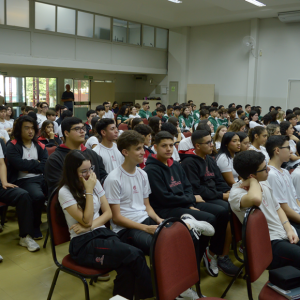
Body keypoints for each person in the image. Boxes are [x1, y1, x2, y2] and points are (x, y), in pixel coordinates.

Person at [58, 150, 153, 300]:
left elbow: (108, 213)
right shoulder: (65, 192)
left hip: (102, 233)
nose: (89, 174)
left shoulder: (93, 183)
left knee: (128, 263)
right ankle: (149, 296)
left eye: (90, 169)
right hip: (83, 243)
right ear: (71, 172)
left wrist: (89, 226)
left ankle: (123, 297)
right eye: (83, 171)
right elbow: (87, 219)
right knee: (134, 255)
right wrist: (89, 191)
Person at [144, 132, 220, 281]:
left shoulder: (176, 165)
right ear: (155, 147)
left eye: (171, 145)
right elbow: (164, 198)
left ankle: (199, 258)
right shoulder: (151, 170)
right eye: (164, 146)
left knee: (217, 215)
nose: (168, 149)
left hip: (183, 204)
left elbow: (187, 186)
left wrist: (190, 204)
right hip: (165, 209)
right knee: (209, 218)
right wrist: (190, 201)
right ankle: (190, 265)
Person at [180, 130, 240, 277]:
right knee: (223, 209)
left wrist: (228, 193)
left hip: (214, 196)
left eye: (211, 141)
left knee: (235, 204)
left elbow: (219, 180)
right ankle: (214, 253)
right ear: (197, 146)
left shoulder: (209, 159)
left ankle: (224, 252)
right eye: (208, 142)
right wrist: (222, 195)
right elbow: (196, 189)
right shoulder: (189, 162)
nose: (212, 144)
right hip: (200, 198)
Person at [229, 150, 300, 270]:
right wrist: (252, 181)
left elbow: (278, 209)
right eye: (264, 169)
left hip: (284, 232)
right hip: (269, 243)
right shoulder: (236, 193)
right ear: (251, 176)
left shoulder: (263, 181)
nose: (269, 169)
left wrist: (289, 229)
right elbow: (256, 199)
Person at [6, 115, 48, 240]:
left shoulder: (39, 144)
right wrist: (36, 163)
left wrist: (31, 165)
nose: (30, 131)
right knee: (38, 196)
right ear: (19, 130)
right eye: (26, 128)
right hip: (24, 180)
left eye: (32, 128)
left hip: (42, 177)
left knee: (59, 190)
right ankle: (35, 226)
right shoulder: (12, 145)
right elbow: (19, 164)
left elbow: (45, 165)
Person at [45, 117, 107, 196]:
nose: (82, 131)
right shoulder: (55, 159)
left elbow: (103, 179)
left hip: (97, 200)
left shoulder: (93, 154)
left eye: (83, 128)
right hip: (71, 202)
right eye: (77, 129)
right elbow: (57, 189)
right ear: (66, 133)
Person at [0, 141, 41, 251]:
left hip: (1, 185)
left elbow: (1, 163)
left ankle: (25, 236)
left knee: (23, 195)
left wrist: (4, 181)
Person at [266, 135, 300, 232]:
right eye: (288, 147)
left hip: (296, 215)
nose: (291, 151)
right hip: (289, 222)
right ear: (277, 150)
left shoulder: (284, 171)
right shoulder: (271, 175)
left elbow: (295, 199)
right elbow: (284, 209)